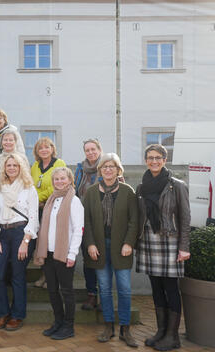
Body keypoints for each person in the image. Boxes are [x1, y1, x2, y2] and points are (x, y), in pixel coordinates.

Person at [136, 144, 191, 351]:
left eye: (158, 158)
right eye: (150, 158)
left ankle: (172, 336)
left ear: (165, 160)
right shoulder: (142, 187)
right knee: (156, 288)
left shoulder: (176, 185)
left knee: (171, 289)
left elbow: (185, 218)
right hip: (149, 241)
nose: (154, 161)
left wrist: (184, 247)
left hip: (170, 241)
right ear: (145, 160)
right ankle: (161, 331)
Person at [83, 153, 138, 347]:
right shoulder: (90, 192)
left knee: (124, 288)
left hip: (121, 247)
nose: (108, 169)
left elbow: (134, 220)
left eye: (112, 166)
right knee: (104, 289)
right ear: (100, 170)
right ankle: (108, 326)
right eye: (104, 166)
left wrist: (129, 243)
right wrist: (89, 243)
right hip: (98, 247)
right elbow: (86, 221)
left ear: (118, 170)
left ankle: (125, 328)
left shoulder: (127, 191)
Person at [0, 152, 39, 331]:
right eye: (8, 165)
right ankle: (2, 313)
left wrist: (26, 241)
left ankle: (17, 315)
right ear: (4, 168)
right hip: (2, 233)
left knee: (18, 275)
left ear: (21, 168)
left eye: (15, 165)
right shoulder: (0, 187)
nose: (11, 168)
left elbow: (33, 216)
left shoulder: (29, 188)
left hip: (21, 233)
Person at [33, 167, 84, 340]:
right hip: (48, 253)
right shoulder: (51, 200)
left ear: (70, 180)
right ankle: (58, 322)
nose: (59, 181)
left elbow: (78, 230)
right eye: (56, 179)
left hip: (64, 255)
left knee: (67, 291)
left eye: (63, 178)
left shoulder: (74, 201)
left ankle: (69, 326)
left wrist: (72, 254)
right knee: (53, 290)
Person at [30, 137, 67, 288]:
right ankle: (44, 274)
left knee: (52, 243)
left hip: (53, 207)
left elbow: (56, 186)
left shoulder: (59, 164)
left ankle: (53, 278)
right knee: (41, 244)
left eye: (47, 147)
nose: (44, 150)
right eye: (41, 148)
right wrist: (35, 200)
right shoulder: (35, 165)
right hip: (37, 209)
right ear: (37, 152)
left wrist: (38, 197)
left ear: (52, 149)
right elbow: (31, 184)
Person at [73, 138, 103, 311]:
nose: (90, 152)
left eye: (93, 149)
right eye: (87, 150)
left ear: (99, 150)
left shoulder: (108, 165)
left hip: (104, 220)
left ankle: (103, 294)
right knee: (88, 258)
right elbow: (75, 191)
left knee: (104, 258)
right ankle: (92, 294)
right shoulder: (80, 169)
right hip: (85, 218)